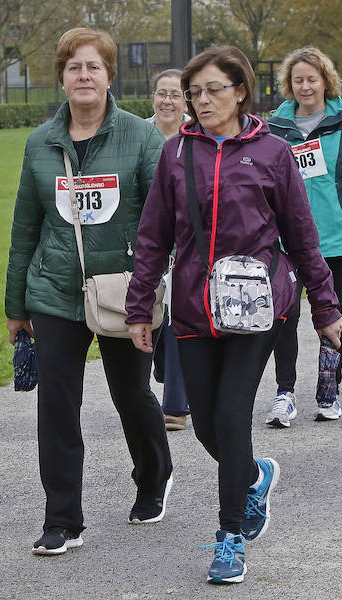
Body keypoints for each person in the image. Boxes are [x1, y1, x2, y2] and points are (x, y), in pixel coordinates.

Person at [125, 46, 342, 584]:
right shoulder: (176, 154)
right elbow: (153, 236)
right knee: (202, 422)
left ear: (241, 91)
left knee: (230, 415)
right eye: (194, 92)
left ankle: (229, 538)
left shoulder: (272, 152)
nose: (201, 101)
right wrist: (139, 307)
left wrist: (325, 307)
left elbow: (301, 235)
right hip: (195, 308)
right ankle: (253, 476)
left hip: (259, 307)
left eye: (212, 90)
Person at [5, 27, 173, 557]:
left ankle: (153, 475)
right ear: (61, 77)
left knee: (130, 395)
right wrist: (16, 305)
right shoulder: (40, 143)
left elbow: (159, 222)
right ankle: (63, 519)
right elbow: (24, 228)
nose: (84, 76)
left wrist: (147, 292)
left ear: (109, 76)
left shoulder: (141, 138)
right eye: (74, 67)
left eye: (94, 67)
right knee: (57, 405)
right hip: (54, 291)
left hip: (123, 291)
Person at [266, 47, 342, 426]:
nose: (305, 86)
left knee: (328, 314)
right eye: (297, 80)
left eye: (311, 79)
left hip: (334, 240)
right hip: (284, 242)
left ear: (325, 81)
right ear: (289, 83)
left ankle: (328, 391)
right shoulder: (273, 126)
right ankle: (285, 394)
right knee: (283, 316)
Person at [146, 68, 191, 431]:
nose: (167, 101)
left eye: (175, 94)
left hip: (185, 239)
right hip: (145, 237)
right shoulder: (140, 135)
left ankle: (175, 405)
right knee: (153, 315)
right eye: (162, 93)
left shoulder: (196, 136)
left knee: (176, 316)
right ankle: (163, 375)